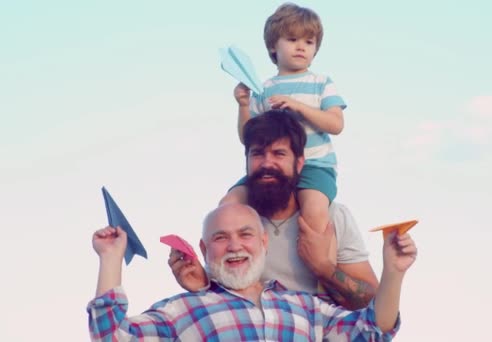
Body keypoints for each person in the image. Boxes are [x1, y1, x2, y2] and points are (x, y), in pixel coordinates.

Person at [88, 203, 418, 341]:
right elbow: (112, 336)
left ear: (263, 242)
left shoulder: (306, 308)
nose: (235, 246)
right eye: (220, 238)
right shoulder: (181, 310)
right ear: (204, 251)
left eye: (245, 234)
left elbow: (372, 331)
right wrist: (111, 258)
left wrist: (394, 271)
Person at [171, 110, 377, 310]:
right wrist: (200, 285)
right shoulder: (230, 226)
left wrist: (324, 267)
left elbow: (372, 304)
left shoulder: (333, 217)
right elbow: (222, 303)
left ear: (299, 163)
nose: (267, 163)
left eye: (279, 154)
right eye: (258, 154)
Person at [221, 3, 345, 265]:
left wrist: (299, 106)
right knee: (229, 202)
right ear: (273, 48)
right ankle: (240, 266)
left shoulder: (321, 83)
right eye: (292, 39)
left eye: (309, 42)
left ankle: (323, 276)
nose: (301, 47)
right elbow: (248, 138)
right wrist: (243, 106)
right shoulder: (263, 89)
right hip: (271, 167)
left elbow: (336, 124)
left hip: (315, 165)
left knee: (314, 212)